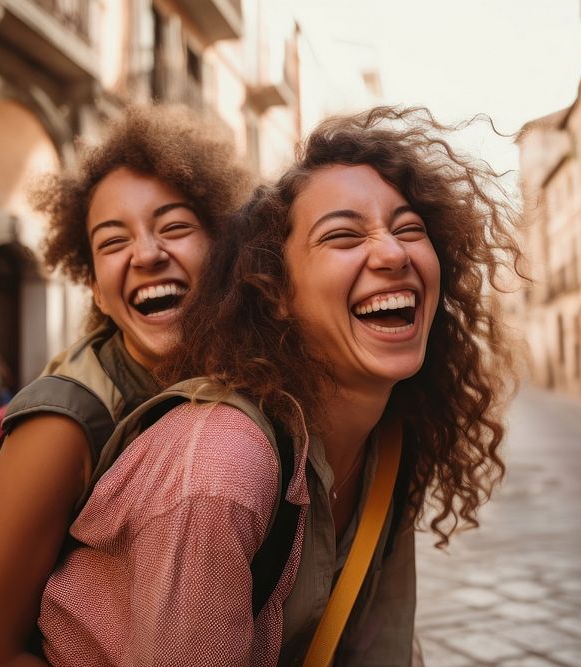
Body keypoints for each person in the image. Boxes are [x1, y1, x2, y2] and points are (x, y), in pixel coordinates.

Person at [37, 106, 522, 666]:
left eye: (409, 229)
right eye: (342, 235)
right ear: (276, 292)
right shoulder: (218, 472)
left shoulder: (389, 439)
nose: (393, 253)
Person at [0, 104, 252, 667]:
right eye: (112, 242)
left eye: (175, 227)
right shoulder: (62, 424)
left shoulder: (248, 376)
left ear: (226, 252)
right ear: (99, 293)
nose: (148, 254)